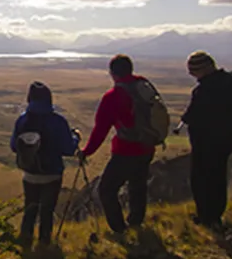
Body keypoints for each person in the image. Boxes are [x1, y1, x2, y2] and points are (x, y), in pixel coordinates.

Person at [77, 54, 156, 235]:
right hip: (147, 147)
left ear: (112, 73)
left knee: (106, 190)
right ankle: (136, 224)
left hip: (126, 151)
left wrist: (86, 151)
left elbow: (100, 130)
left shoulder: (112, 97)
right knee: (138, 186)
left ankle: (120, 230)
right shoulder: (144, 87)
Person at [10, 81, 81, 248]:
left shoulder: (22, 120)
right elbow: (68, 149)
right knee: (47, 212)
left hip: (30, 173)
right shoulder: (57, 121)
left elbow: (14, 146)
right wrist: (76, 137)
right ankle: (44, 244)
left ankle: (24, 245)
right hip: (52, 174)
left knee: (30, 209)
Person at [180, 50, 232, 229]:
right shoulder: (228, 82)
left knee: (201, 178)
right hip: (225, 139)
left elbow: (195, 114)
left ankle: (207, 216)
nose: (193, 74)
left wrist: (187, 118)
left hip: (207, 142)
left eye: (194, 70)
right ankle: (214, 215)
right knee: (217, 176)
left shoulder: (206, 89)